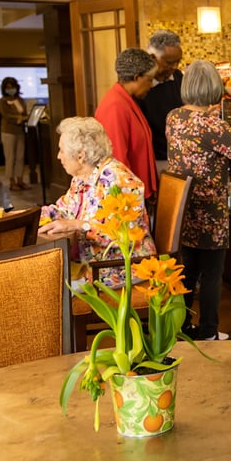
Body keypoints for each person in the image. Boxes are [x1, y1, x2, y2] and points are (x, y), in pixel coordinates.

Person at [166, 60, 231, 341]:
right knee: (213, 274)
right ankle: (209, 331)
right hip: (210, 211)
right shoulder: (213, 125)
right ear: (215, 87)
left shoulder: (174, 117)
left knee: (188, 270)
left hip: (184, 209)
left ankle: (182, 327)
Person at [38, 116, 156, 287]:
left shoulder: (119, 180)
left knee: (52, 289)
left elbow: (121, 235)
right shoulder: (81, 177)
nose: (58, 156)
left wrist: (79, 225)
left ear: (80, 156)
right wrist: (30, 217)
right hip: (93, 263)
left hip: (122, 266)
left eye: (61, 150)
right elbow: (63, 210)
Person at [94, 48, 159, 201]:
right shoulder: (115, 105)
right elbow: (117, 158)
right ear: (137, 77)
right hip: (126, 195)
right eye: (149, 79)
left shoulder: (126, 100)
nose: (151, 85)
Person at [139, 29, 184, 174]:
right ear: (152, 58)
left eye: (178, 61)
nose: (175, 66)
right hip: (155, 161)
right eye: (170, 62)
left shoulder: (178, 78)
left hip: (180, 157)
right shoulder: (140, 86)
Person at [0, 76, 30, 190]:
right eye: (8, 87)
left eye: (12, 87)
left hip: (20, 131)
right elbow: (6, 116)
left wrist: (25, 117)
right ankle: (12, 182)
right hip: (8, 131)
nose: (11, 89)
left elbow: (25, 112)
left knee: (20, 157)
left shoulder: (20, 100)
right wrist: (19, 118)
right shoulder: (3, 101)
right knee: (10, 157)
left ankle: (20, 179)